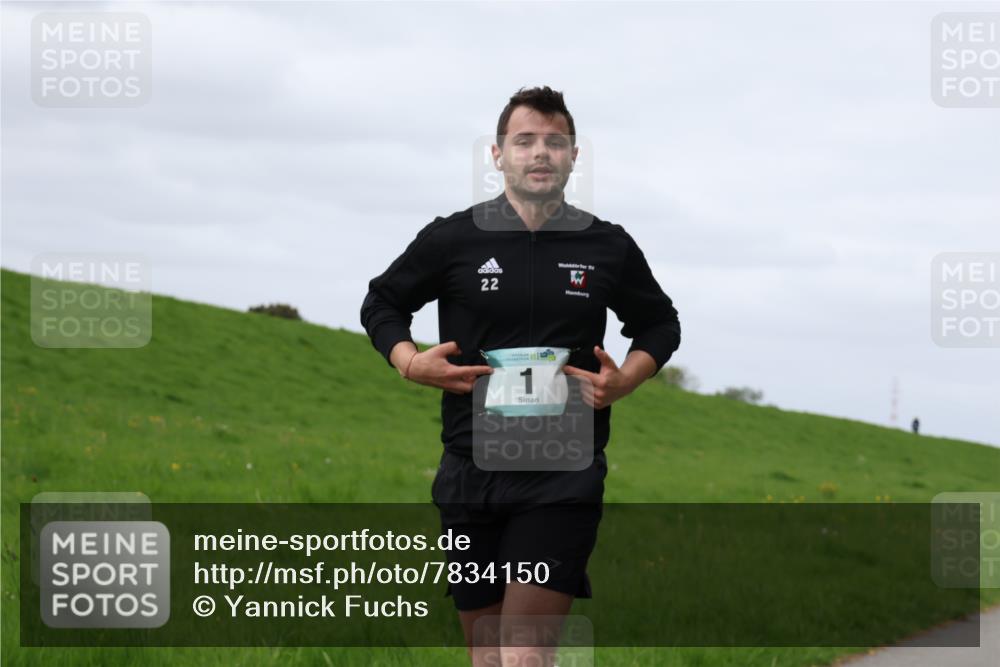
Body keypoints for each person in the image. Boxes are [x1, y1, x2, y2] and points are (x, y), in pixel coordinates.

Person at [360, 85, 681, 665]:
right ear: (498, 154)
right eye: (525, 140)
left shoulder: (606, 245)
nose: (540, 153)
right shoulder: (453, 238)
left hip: (562, 473)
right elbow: (381, 303)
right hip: (469, 470)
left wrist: (626, 379)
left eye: (555, 142)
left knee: (524, 656)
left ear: (574, 156)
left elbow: (660, 324)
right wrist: (410, 362)